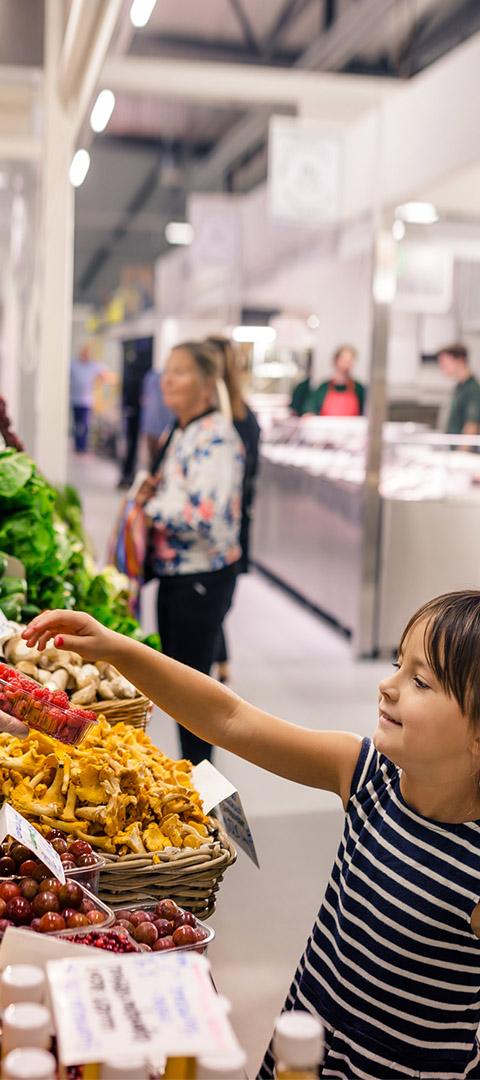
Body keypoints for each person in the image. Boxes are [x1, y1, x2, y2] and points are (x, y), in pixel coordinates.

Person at [23, 590, 480, 1079]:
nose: (388, 686)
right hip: (302, 1056)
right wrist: (119, 649)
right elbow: (230, 718)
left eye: (420, 681)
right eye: (396, 662)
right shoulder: (370, 777)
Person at [136, 340, 244, 764]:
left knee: (194, 699)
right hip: (176, 575)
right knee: (180, 692)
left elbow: (206, 516)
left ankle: (203, 802)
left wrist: (149, 507)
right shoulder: (181, 429)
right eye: (167, 369)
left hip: (201, 578)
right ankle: (193, 785)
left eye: (180, 371)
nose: (168, 378)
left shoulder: (215, 437)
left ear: (206, 385)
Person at [205, 335, 261, 683]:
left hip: (219, 537)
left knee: (213, 605)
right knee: (217, 605)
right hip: (234, 531)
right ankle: (221, 659)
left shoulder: (219, 425)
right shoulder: (245, 418)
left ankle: (217, 660)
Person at [305, 345, 365, 417]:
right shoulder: (323, 388)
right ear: (336, 361)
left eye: (350, 361)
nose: (347, 364)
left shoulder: (359, 389)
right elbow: (310, 407)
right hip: (327, 427)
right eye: (344, 360)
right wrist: (309, 413)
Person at [438, 342, 480, 436]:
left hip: (461, 450)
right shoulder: (460, 387)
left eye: (444, 362)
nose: (441, 366)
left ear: (459, 360)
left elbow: (471, 427)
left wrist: (461, 450)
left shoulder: (472, 389)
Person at [70, 345, 105, 453]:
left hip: (86, 400)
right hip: (75, 399)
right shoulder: (74, 364)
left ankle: (83, 448)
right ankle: (77, 447)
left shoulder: (93, 365)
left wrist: (97, 384)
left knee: (84, 425)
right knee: (77, 424)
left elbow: (104, 374)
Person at [140, 368, 174, 471]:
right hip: (153, 426)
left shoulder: (152, 378)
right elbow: (145, 400)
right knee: (155, 462)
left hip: (162, 427)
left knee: (159, 461)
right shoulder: (151, 377)